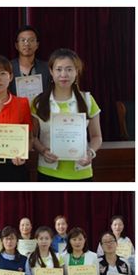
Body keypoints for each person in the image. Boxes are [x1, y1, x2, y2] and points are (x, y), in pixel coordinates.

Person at [32, 49, 102, 181]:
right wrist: (43, 151)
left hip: (81, 172)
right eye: (58, 69)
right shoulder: (39, 102)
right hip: (48, 171)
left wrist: (90, 152)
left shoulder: (87, 100)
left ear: (76, 71)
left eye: (69, 69)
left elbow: (96, 136)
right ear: (51, 71)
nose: (63, 74)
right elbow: (33, 136)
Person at [9, 25, 50, 97]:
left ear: (37, 45)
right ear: (16, 45)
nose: (27, 44)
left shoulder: (46, 68)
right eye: (23, 40)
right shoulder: (8, 68)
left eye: (31, 40)